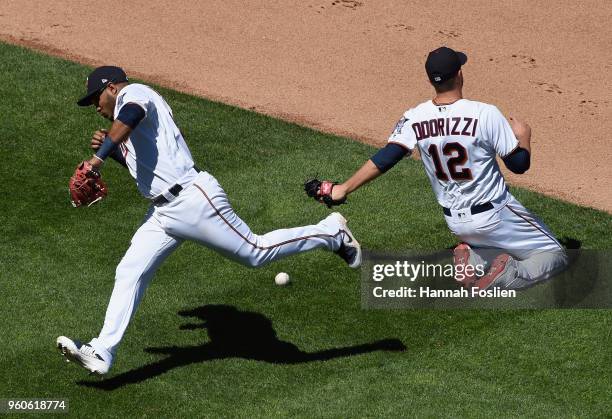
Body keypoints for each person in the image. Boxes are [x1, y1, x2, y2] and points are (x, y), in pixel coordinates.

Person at [57, 66, 361, 375]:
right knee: (130, 270)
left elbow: (132, 114)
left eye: (96, 99)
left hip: (193, 199)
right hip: (163, 213)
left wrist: (98, 159)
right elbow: (153, 167)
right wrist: (116, 152)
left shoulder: (133, 94)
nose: (96, 107)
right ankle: (103, 350)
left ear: (111, 89)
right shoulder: (130, 123)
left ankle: (331, 233)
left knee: (255, 253)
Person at [310, 47, 567, 291]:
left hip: (455, 221)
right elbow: (519, 165)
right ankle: (511, 273)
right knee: (555, 254)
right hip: (495, 214)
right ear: (459, 74)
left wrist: (342, 188)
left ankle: (474, 258)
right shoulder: (485, 113)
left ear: (432, 80)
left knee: (494, 239)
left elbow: (387, 157)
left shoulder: (415, 116)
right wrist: (524, 137)